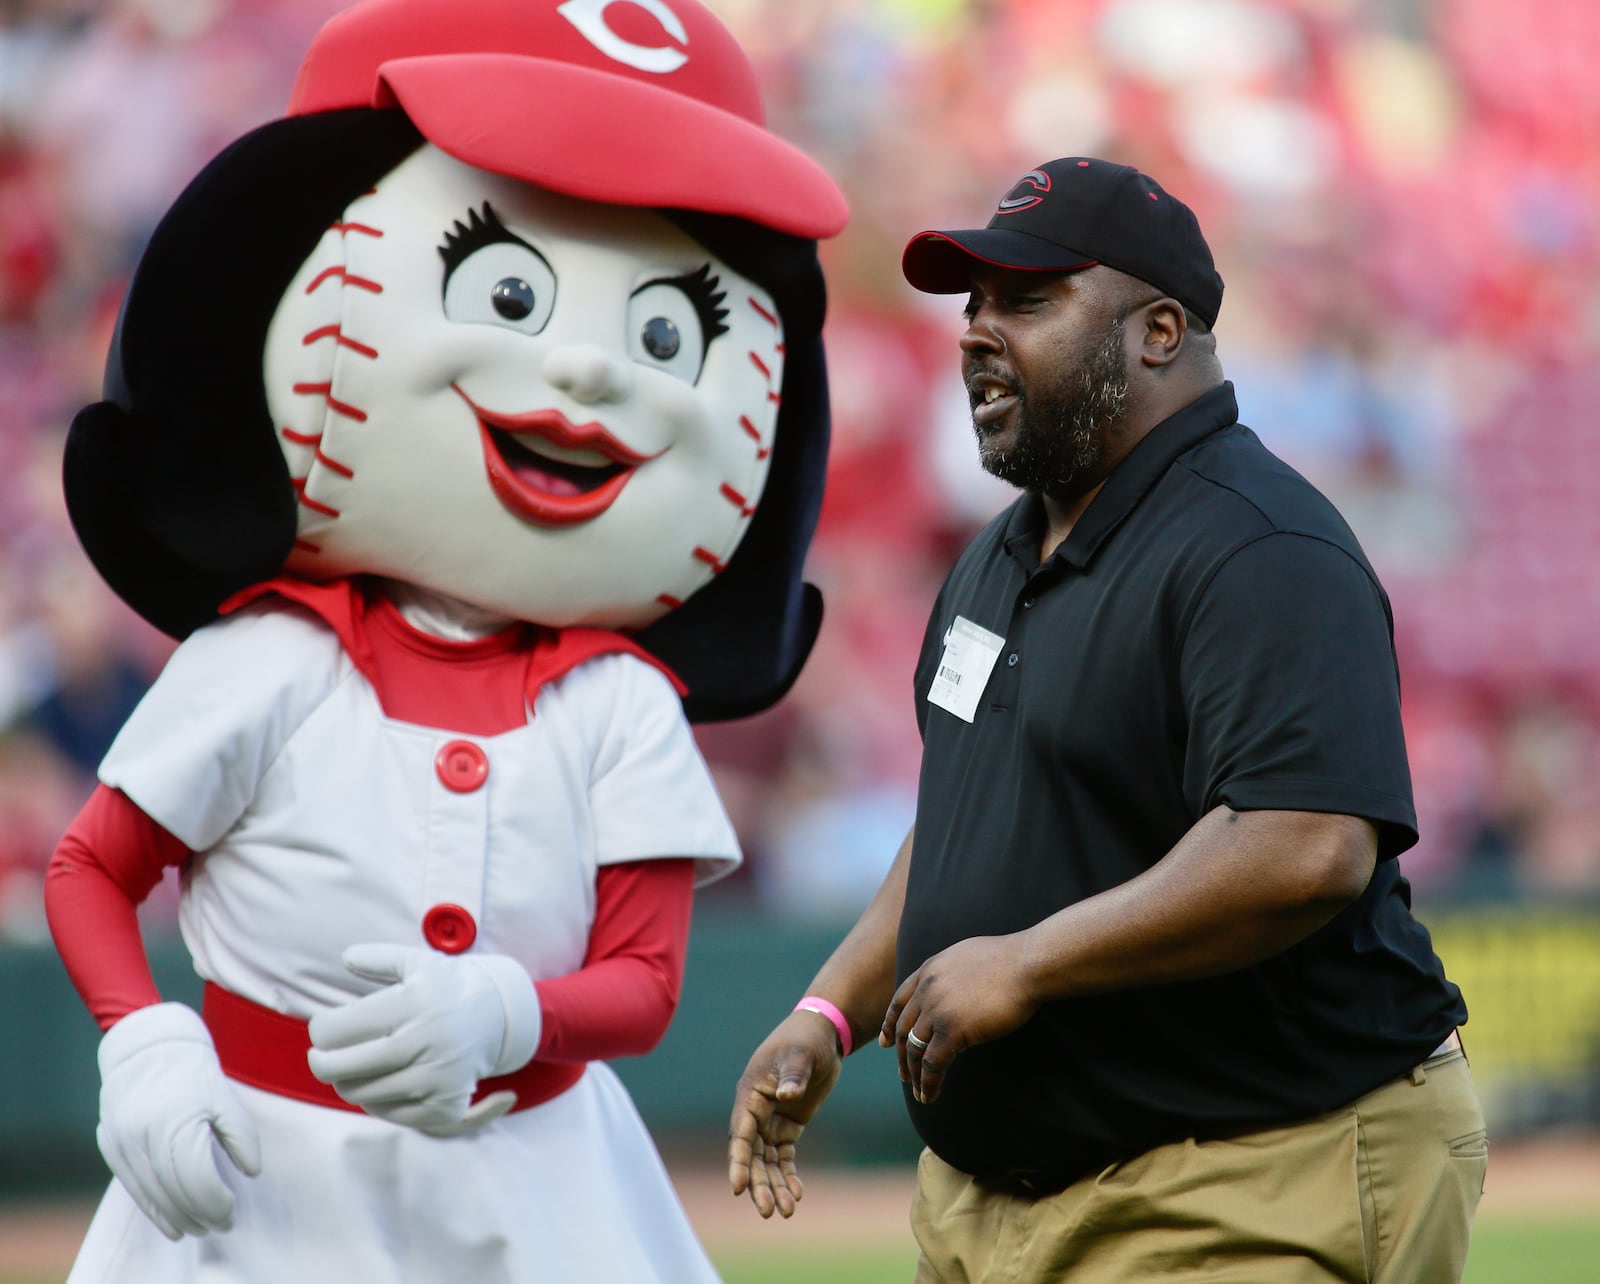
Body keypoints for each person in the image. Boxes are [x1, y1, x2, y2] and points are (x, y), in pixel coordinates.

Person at [42, 1, 845, 1280]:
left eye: (661, 334)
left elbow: (641, 985)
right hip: (262, 1181)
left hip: (541, 1182)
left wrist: (512, 1012)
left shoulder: (617, 701)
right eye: (510, 291)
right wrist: (140, 1042)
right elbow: (91, 869)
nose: (591, 377)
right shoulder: (266, 660)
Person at [728, 157, 1485, 1283]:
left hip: (1251, 1172)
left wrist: (1028, 962)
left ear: (1160, 333)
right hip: (996, 1206)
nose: (976, 333)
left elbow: (1307, 843)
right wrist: (827, 1012)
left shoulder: (1260, 546)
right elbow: (961, 824)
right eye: (972, 305)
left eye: (1025, 301)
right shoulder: (996, 555)